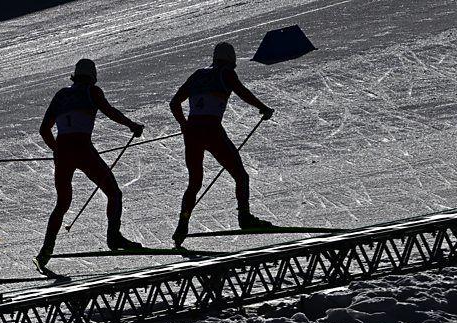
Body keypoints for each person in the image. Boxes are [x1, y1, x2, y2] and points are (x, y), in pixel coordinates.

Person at [33, 58, 146, 272]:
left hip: (63, 152)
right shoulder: (92, 91)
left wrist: (57, 151)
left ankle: (45, 252)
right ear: (93, 76)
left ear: (75, 75)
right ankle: (114, 237)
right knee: (114, 193)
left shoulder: (61, 95)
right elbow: (110, 112)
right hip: (83, 149)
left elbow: (44, 130)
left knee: (62, 203)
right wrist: (132, 125)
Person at [169, 42, 275, 247]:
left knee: (194, 183)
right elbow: (242, 92)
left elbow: (174, 103)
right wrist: (263, 108)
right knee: (240, 176)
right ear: (231, 60)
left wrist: (184, 125)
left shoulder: (197, 74)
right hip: (212, 131)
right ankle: (244, 217)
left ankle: (182, 225)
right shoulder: (226, 73)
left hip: (192, 133)